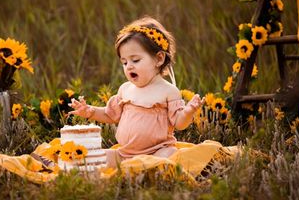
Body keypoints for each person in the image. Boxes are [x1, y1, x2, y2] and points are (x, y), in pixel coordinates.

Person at [69, 17, 202, 167]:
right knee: (94, 158)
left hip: (157, 151)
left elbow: (179, 123)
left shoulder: (168, 91)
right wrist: (91, 111)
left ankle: (142, 170)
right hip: (124, 154)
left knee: (166, 157)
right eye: (124, 62)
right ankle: (131, 168)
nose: (129, 66)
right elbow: (109, 115)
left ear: (159, 58)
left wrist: (188, 112)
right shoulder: (125, 89)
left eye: (135, 60)